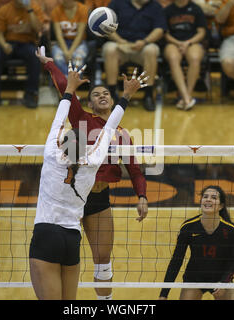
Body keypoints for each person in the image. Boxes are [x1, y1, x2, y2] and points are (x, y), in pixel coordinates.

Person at [29, 47, 148, 300]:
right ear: (90, 102)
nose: (102, 95)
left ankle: (104, 302)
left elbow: (135, 170)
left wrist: (142, 196)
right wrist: (50, 64)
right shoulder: (81, 118)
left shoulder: (122, 135)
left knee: (102, 260)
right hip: (71, 202)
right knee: (67, 258)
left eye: (106, 93)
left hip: (97, 201)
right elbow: (65, 89)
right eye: (96, 94)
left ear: (112, 101)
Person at [159, 185, 234, 300]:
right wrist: (163, 294)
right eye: (205, 196)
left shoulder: (231, 230)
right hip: (194, 278)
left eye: (213, 197)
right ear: (201, 201)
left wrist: (224, 282)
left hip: (220, 278)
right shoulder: (188, 227)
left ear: (221, 206)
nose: (208, 199)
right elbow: (176, 261)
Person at [102, 0, 167, 111]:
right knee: (109, 49)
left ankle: (148, 95)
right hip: (120, 45)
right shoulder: (116, 4)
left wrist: (145, 41)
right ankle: (113, 94)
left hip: (143, 46)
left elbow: (160, 29)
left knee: (151, 50)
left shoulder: (156, 6)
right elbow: (106, 25)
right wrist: (120, 41)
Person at [0, 0, 46, 108]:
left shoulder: (34, 8)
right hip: (7, 43)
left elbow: (39, 29)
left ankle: (30, 95)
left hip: (27, 43)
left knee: (35, 56)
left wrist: (30, 10)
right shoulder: (4, 9)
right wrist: (4, 45)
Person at [163, 0, 207, 110]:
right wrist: (178, 43)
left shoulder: (196, 8)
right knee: (173, 58)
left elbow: (201, 32)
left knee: (195, 58)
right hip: (173, 42)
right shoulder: (167, 10)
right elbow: (165, 34)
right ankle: (186, 98)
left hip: (192, 42)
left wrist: (188, 43)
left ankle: (186, 96)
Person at [50, 0, 89, 77]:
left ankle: (74, 81)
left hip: (78, 43)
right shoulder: (56, 11)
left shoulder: (83, 9)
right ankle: (65, 82)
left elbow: (80, 35)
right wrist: (65, 52)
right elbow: (59, 35)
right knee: (58, 58)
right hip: (62, 43)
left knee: (78, 59)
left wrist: (70, 52)